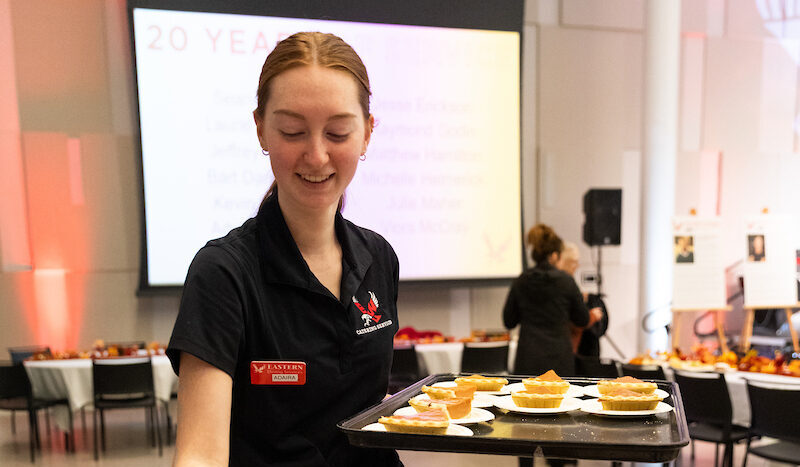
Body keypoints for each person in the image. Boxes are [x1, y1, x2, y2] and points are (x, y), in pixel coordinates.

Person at [167, 32, 401, 466]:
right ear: (261, 129)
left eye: (337, 132)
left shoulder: (379, 259)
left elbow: (363, 405)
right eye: (293, 131)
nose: (316, 155)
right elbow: (200, 454)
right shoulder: (224, 273)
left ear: (367, 133)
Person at [503, 225, 590, 376]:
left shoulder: (521, 281)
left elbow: (508, 321)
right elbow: (582, 319)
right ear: (555, 255)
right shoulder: (566, 281)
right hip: (559, 360)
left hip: (528, 359)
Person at [557, 242, 606, 357]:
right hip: (567, 349)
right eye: (575, 262)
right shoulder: (566, 282)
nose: (577, 266)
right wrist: (593, 316)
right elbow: (578, 321)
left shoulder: (560, 282)